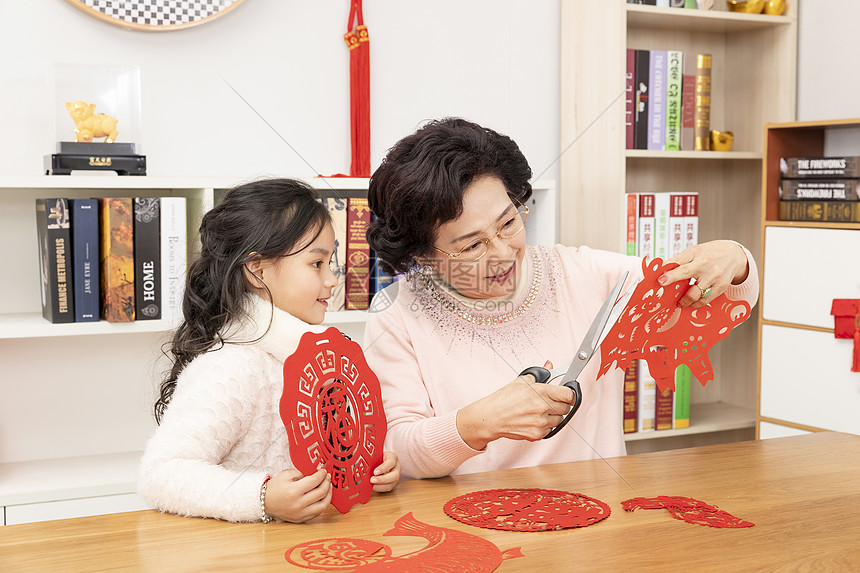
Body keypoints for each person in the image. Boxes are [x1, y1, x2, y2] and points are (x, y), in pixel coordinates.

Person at [363, 117, 759, 480]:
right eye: (472, 247)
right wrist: (477, 422)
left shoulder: (585, 273)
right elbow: (400, 452)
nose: (503, 252)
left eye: (508, 222)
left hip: (599, 521)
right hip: (470, 527)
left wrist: (734, 258)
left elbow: (719, 303)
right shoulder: (396, 314)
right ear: (422, 255)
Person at [138, 178, 401, 523]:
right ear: (257, 269)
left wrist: (372, 468)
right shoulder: (231, 366)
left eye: (330, 262)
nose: (333, 279)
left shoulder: (324, 360)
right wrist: (262, 497)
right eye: (316, 264)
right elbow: (161, 474)